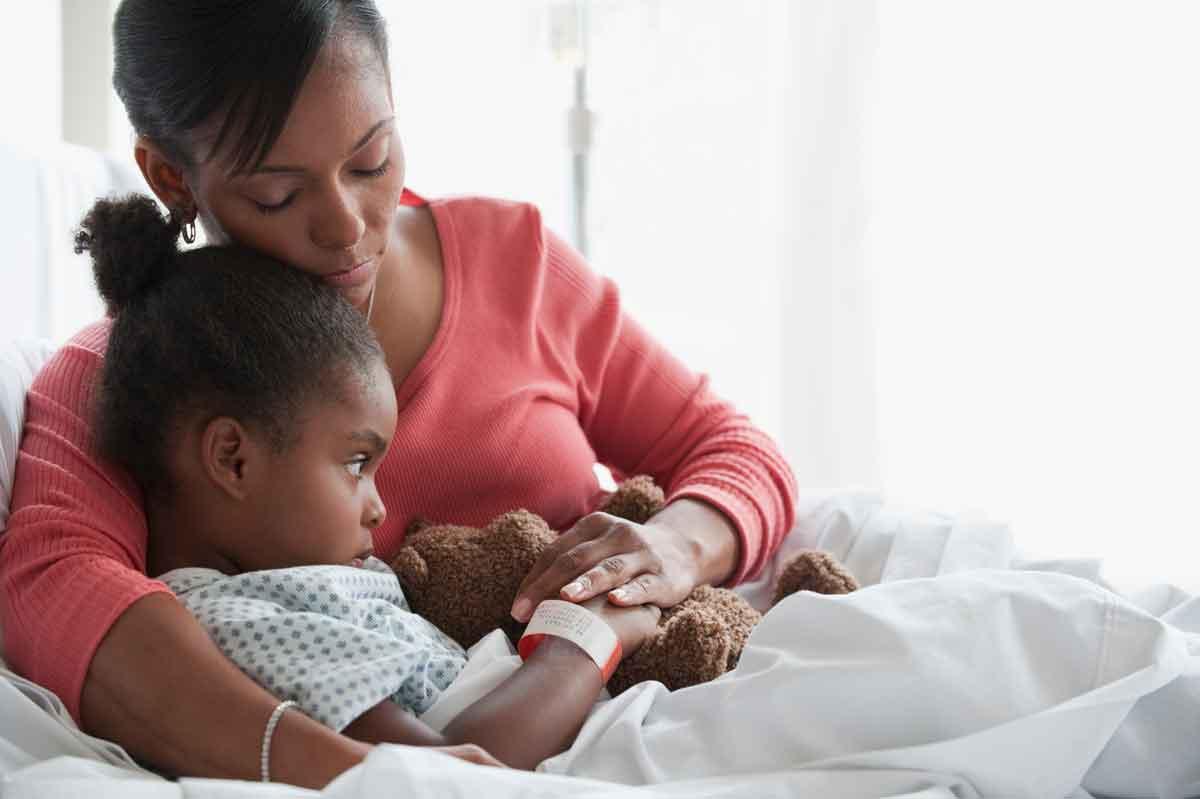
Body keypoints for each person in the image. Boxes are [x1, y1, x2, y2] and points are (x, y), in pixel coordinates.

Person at [0, 0, 796, 788]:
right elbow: (54, 588)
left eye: (371, 160)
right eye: (278, 194)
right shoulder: (139, 382)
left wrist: (672, 548)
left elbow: (732, 448)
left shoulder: (511, 262)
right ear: (170, 176)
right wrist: (379, 776)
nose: (347, 226)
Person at [68, 193, 662, 774]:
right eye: (356, 465)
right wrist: (583, 641)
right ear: (233, 459)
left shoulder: (297, 587)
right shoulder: (242, 623)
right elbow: (445, 773)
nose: (379, 510)